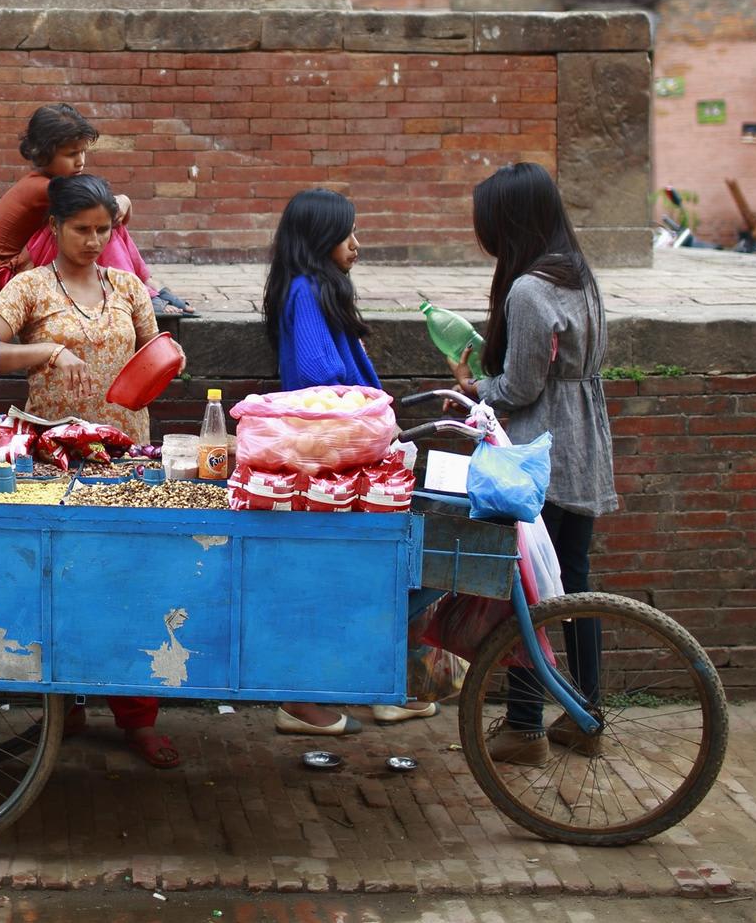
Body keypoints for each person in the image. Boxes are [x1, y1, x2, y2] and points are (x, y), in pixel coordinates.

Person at [0, 172, 181, 769]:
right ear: (54, 227)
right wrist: (46, 351)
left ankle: (137, 716)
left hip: (125, 459)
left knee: (131, 585)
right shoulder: (29, 288)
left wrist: (166, 363)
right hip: (53, 461)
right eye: (81, 229)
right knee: (58, 584)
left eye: (104, 230)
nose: (94, 240)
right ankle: (62, 707)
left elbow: (157, 353)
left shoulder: (127, 289)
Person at [445, 162, 616, 770]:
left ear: (511, 221)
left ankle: (523, 725)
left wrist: (472, 389)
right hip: (585, 439)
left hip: (538, 447)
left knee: (530, 585)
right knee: (573, 578)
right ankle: (587, 714)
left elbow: (518, 386)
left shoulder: (528, 288)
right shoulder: (578, 276)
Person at [259, 189, 433, 733]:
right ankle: (307, 700)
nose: (356, 245)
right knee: (340, 576)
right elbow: (318, 375)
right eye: (346, 234)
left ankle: (374, 688)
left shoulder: (311, 288)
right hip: (331, 459)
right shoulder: (308, 290)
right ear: (318, 240)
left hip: (335, 454)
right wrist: (373, 414)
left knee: (352, 573)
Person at [0, 104, 194, 316]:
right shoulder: (41, 188)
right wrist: (122, 201)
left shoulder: (54, 182)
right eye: (72, 154)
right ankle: (135, 291)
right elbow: (105, 206)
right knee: (95, 213)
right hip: (6, 279)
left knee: (100, 213)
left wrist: (123, 201)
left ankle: (145, 283)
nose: (80, 161)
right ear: (42, 153)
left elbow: (109, 206)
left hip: (17, 268)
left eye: (83, 152)